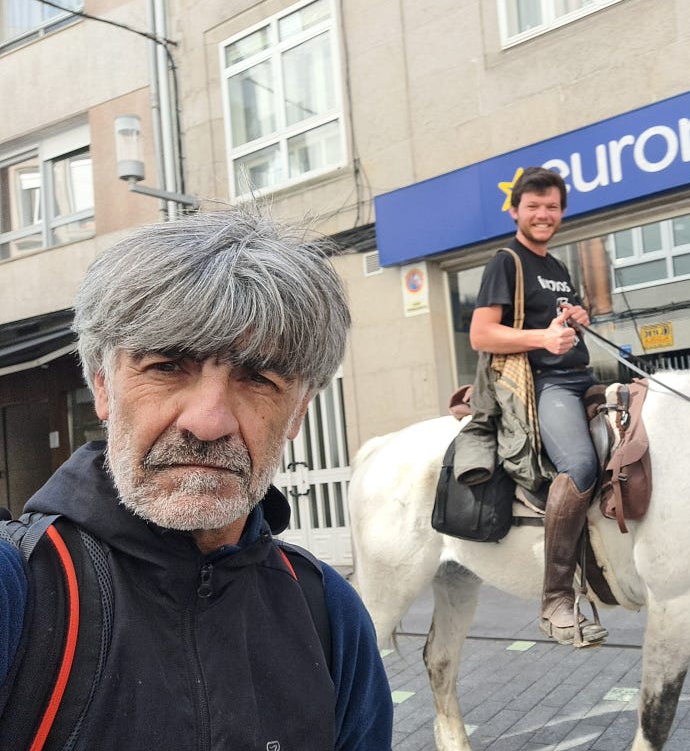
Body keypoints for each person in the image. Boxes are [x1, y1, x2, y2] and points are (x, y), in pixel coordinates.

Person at [0, 208, 393, 749]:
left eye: (258, 378)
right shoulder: (17, 587)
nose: (209, 422)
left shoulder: (329, 611)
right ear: (103, 387)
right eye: (166, 367)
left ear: (298, 411)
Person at [469, 166, 608, 646]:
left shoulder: (557, 268)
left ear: (562, 212)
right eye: (533, 207)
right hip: (547, 385)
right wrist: (543, 339)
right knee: (580, 464)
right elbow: (481, 333)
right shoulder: (506, 261)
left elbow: (556, 324)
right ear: (515, 211)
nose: (543, 214)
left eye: (551, 207)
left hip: (583, 378)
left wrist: (575, 318)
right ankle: (555, 601)